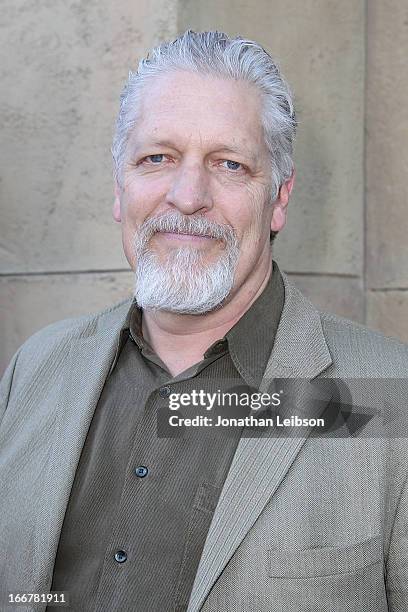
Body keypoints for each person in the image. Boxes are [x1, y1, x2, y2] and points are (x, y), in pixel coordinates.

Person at [1, 30, 408, 612]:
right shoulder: (35, 369)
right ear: (121, 186)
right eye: (157, 158)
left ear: (279, 197)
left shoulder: (394, 396)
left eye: (230, 164)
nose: (188, 196)